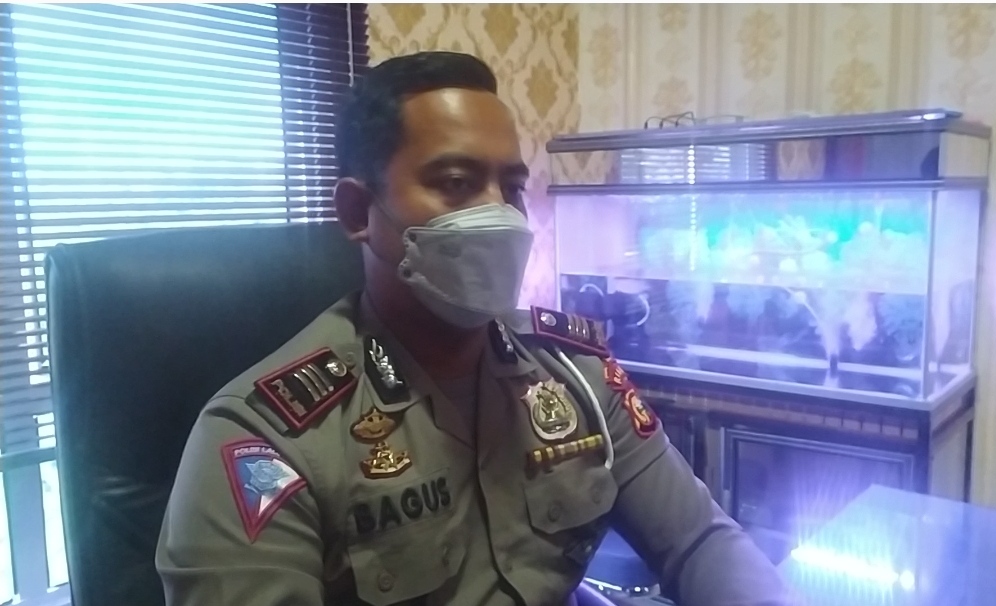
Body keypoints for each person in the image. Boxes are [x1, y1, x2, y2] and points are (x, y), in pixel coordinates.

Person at [155, 51, 793, 606]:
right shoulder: (266, 440)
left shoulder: (574, 373)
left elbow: (698, 539)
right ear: (358, 212)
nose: (499, 215)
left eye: (510, 189)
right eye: (456, 184)